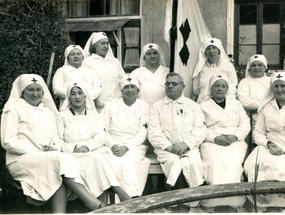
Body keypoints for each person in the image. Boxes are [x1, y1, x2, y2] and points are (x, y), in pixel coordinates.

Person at [0, 74, 104, 213]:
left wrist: (53, 147)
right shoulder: (13, 108)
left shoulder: (47, 111)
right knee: (60, 160)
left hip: (46, 157)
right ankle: (91, 202)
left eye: (38, 90)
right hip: (21, 159)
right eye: (30, 90)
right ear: (22, 91)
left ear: (43, 92)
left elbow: (55, 136)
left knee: (57, 169)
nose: (35, 94)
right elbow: (8, 141)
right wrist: (36, 151)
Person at [56, 83, 130, 202]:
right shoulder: (61, 116)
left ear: (86, 97)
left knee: (99, 158)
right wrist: (74, 148)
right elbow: (58, 139)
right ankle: (117, 190)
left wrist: (87, 146)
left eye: (80, 93)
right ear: (69, 98)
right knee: (95, 160)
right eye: (73, 94)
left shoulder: (95, 116)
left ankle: (104, 203)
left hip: (92, 150)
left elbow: (101, 136)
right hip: (72, 154)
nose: (77, 97)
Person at [148, 72, 206, 190]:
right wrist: (168, 146)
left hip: (189, 148)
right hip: (166, 149)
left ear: (183, 86)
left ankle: (193, 201)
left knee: (192, 163)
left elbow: (200, 130)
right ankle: (181, 203)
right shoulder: (156, 107)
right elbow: (154, 132)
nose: (170, 86)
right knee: (175, 163)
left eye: (174, 83)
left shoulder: (193, 106)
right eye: (167, 84)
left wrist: (186, 145)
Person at [199, 74, 250, 207]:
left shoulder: (236, 104)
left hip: (234, 141)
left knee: (232, 161)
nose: (220, 89)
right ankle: (213, 201)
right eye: (217, 86)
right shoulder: (203, 106)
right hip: (211, 141)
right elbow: (199, 127)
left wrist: (236, 136)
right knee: (216, 161)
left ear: (227, 89)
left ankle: (234, 201)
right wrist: (214, 138)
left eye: (223, 86)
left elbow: (245, 123)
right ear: (211, 88)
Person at [102, 75, 150, 198]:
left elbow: (142, 133)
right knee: (110, 161)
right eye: (126, 87)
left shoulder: (144, 106)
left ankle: (132, 198)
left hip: (134, 145)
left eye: (133, 87)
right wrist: (112, 145)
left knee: (130, 161)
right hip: (112, 143)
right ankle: (114, 200)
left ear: (138, 90)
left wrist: (126, 147)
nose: (129, 90)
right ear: (121, 90)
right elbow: (103, 129)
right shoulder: (111, 104)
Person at [244, 71, 285, 207]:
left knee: (280, 167)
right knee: (253, 164)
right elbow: (258, 132)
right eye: (276, 86)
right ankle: (264, 204)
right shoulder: (266, 107)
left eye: (283, 86)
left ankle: (280, 204)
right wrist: (269, 144)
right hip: (270, 144)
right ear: (271, 88)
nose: (280, 90)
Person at [83, 32, 125, 112]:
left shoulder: (115, 61)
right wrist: (95, 99)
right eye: (102, 43)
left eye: (107, 43)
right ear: (95, 45)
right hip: (99, 103)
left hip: (117, 101)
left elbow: (123, 79)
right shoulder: (87, 62)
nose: (106, 46)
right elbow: (86, 84)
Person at [192, 38, 238, 104]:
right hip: (204, 101)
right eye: (208, 48)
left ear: (219, 50)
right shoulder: (200, 66)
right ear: (205, 51)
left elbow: (233, 84)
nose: (211, 51)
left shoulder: (227, 65)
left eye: (214, 48)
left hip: (224, 102)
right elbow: (195, 89)